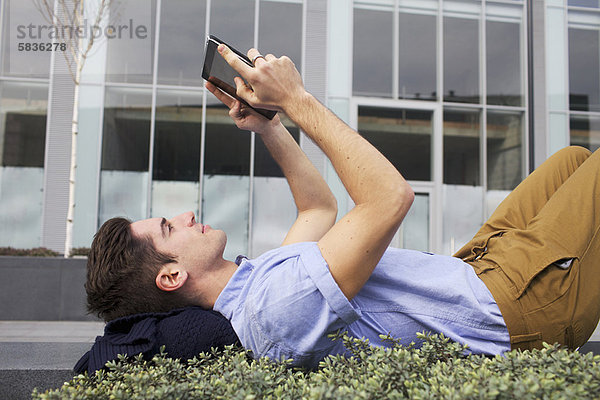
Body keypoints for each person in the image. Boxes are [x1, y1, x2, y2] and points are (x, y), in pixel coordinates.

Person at [85, 43, 600, 369]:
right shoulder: (273, 308)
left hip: (475, 269)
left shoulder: (255, 283)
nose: (188, 215)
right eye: (170, 228)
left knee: (573, 159)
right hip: (516, 306)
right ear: (171, 277)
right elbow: (389, 198)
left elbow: (317, 211)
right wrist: (296, 98)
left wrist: (269, 126)